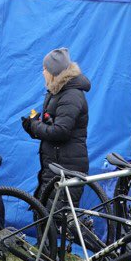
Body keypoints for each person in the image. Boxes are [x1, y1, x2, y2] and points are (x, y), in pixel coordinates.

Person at [20, 47, 91, 201]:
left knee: (57, 218)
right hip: (55, 166)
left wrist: (35, 126)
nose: (42, 72)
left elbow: (60, 131)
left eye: (44, 69)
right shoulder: (58, 92)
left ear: (54, 71)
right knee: (45, 214)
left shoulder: (71, 94)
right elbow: (52, 126)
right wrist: (33, 126)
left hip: (66, 166)